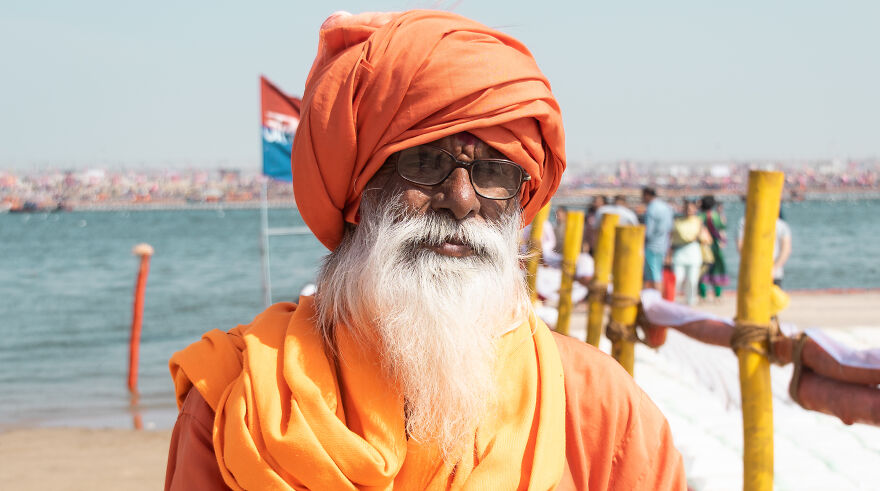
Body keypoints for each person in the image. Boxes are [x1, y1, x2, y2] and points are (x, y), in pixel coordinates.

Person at [164, 11, 685, 490]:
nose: (462, 200)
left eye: (494, 172)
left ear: (518, 201)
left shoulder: (599, 408)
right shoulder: (239, 406)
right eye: (425, 163)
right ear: (358, 192)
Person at [737, 204, 792, 287]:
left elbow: (740, 246)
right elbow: (786, 250)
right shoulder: (781, 224)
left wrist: (752, 264)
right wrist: (774, 268)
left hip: (751, 272)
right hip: (775, 273)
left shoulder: (744, 222)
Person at [669, 200, 710, 306]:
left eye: (691, 209)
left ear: (695, 210)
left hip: (693, 251)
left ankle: (690, 301)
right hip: (679, 251)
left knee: (692, 280)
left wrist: (700, 235)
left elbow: (706, 238)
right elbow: (671, 237)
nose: (689, 210)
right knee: (677, 278)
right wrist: (668, 254)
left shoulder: (698, 222)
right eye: (687, 208)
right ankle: (672, 301)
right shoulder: (677, 222)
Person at [642, 187, 674, 290]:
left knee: (653, 276)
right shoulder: (666, 207)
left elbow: (648, 232)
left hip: (651, 246)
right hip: (663, 246)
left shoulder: (651, 208)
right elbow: (670, 228)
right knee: (657, 273)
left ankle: (656, 297)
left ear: (647, 195)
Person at [697, 195, 728, 301]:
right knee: (716, 270)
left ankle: (703, 295)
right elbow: (722, 230)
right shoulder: (716, 216)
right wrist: (723, 242)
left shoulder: (699, 216)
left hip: (703, 247)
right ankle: (718, 294)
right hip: (715, 247)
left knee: (702, 270)